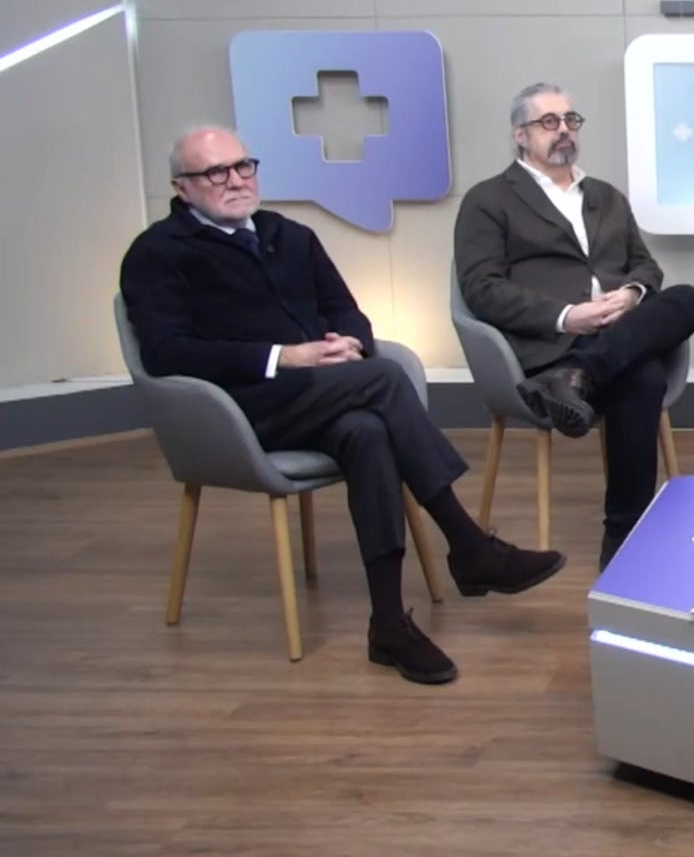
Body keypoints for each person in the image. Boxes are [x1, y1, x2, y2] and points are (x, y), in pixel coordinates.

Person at [120, 126, 566, 686]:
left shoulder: (289, 235)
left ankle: (389, 625)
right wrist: (286, 357)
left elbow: (346, 310)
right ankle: (468, 544)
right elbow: (166, 353)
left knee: (367, 432)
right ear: (181, 187)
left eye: (243, 166)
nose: (235, 180)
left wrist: (347, 344)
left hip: (323, 395)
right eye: (215, 172)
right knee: (383, 381)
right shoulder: (157, 254)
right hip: (235, 412)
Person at [454, 83, 694, 571]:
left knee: (687, 298)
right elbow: (481, 288)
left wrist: (630, 294)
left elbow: (645, 266)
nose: (564, 130)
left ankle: (580, 376)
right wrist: (568, 315)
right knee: (642, 378)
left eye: (571, 120)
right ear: (520, 135)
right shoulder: (488, 200)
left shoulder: (606, 197)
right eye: (549, 122)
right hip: (551, 342)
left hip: (615, 333)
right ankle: (624, 539)